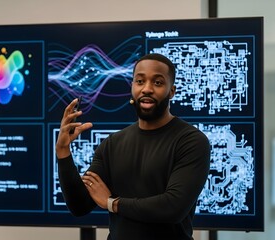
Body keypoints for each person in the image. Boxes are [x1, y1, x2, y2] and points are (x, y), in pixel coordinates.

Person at [56, 53, 211, 240]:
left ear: (172, 91)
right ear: (132, 88)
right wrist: (63, 151)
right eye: (139, 81)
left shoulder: (191, 141)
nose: (147, 89)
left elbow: (172, 208)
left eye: (158, 83)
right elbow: (79, 206)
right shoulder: (112, 144)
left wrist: (113, 203)